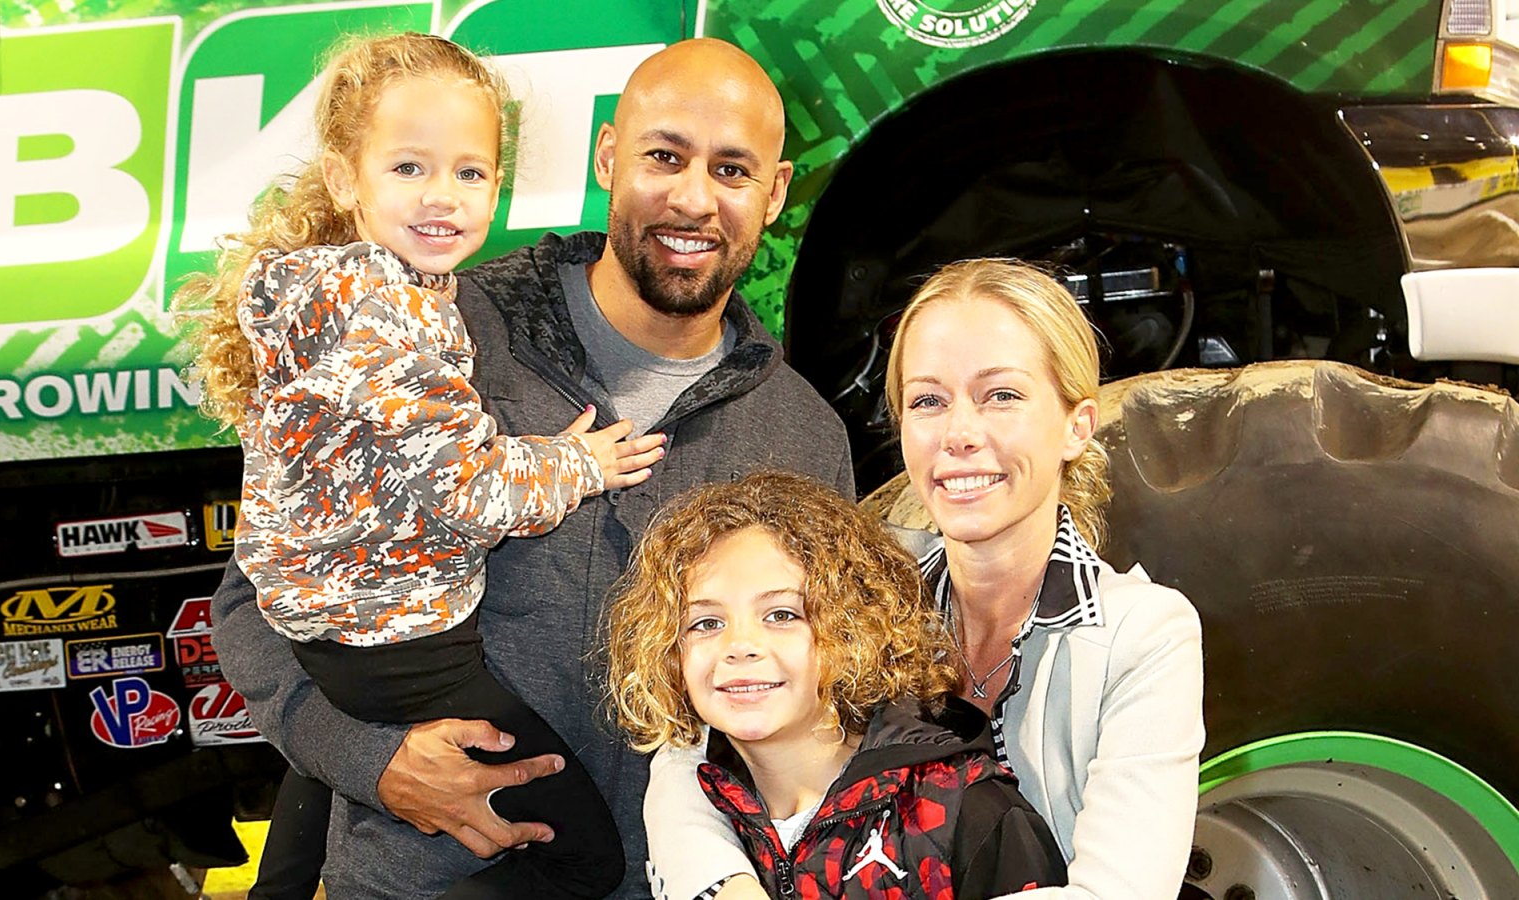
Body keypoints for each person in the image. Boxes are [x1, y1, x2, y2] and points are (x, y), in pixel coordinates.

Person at [206, 37, 855, 900]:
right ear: (610, 156)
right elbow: (254, 602)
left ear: (774, 194)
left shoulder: (802, 434)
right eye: (664, 157)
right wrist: (373, 761)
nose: (694, 198)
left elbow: (831, 697)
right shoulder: (430, 332)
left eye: (733, 171)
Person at [184, 32, 671, 898]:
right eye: (409, 169)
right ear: (345, 178)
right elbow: (472, 492)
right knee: (586, 855)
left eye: (470, 173)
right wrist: (578, 462)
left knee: (306, 827)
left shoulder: (349, 294)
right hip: (403, 640)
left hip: (340, 632)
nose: (442, 197)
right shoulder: (379, 312)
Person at [645, 259, 1205, 900]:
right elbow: (688, 753)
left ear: (1077, 424)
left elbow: (1118, 893)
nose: (959, 434)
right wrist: (727, 888)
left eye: (1001, 395)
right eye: (928, 401)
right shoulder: (865, 585)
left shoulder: (1144, 634)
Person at [605, 470, 1069, 898]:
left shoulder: (967, 811)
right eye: (705, 622)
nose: (739, 645)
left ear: (852, 630)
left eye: (782, 615)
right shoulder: (697, 813)